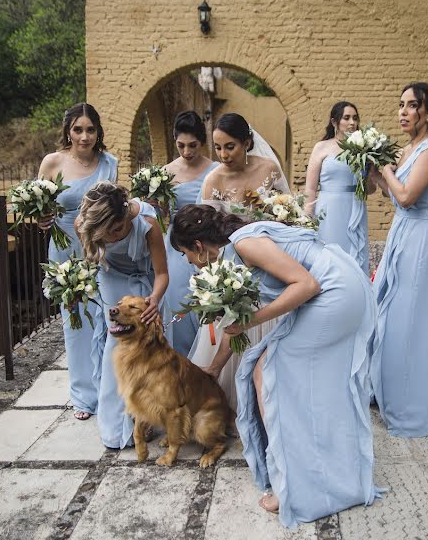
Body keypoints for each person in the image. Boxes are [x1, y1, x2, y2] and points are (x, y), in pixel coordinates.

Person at [170, 204, 380, 527]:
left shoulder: (243, 244)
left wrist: (252, 319)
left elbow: (306, 285)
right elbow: (234, 324)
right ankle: (321, 469)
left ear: (198, 247)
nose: (187, 262)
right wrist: (213, 369)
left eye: (185, 253)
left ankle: (291, 486)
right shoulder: (233, 255)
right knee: (278, 374)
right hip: (337, 287)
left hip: (335, 292)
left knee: (267, 373)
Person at [367, 82, 428, 437]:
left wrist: (381, 163)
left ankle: (410, 401)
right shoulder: (407, 151)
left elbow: (405, 197)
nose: (403, 112)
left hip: (424, 240)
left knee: (413, 315)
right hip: (403, 234)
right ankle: (386, 385)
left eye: (412, 105)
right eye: (400, 105)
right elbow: (395, 195)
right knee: (389, 310)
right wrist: (375, 172)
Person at [189, 113, 289, 409]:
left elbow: (290, 213)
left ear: (247, 142)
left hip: (270, 264)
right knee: (232, 333)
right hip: (234, 269)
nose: (223, 155)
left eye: (230, 146)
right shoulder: (214, 179)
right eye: (218, 148)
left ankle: (268, 406)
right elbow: (204, 230)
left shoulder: (269, 170)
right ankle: (232, 408)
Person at [37, 103, 118, 420]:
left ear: (98, 132)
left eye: (90, 130)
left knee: (105, 318)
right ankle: (83, 396)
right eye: (78, 130)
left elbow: (115, 208)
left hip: (99, 248)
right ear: (67, 131)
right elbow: (39, 210)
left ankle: (107, 387)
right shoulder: (53, 162)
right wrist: (41, 220)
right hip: (65, 252)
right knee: (76, 323)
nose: (84, 136)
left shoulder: (110, 163)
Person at [76, 182, 168, 449]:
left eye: (117, 229)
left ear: (127, 215)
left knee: (148, 348)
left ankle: (145, 415)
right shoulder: (85, 225)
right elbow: (89, 265)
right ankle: (117, 425)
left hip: (147, 279)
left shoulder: (148, 222)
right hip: (112, 277)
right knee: (117, 346)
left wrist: (155, 299)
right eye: (106, 233)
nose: (113, 237)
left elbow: (163, 273)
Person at [161, 111, 218, 355]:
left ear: (202, 143)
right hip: (177, 248)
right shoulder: (166, 172)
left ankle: (208, 358)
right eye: (180, 145)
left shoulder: (216, 170)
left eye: (192, 145)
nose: (186, 152)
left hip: (208, 243)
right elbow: (162, 214)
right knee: (179, 302)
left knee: (210, 298)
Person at [303, 101, 374, 273]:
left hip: (354, 207)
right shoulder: (322, 147)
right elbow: (311, 188)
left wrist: (371, 168)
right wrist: (307, 217)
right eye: (346, 118)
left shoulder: (363, 149)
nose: (352, 122)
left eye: (355, 118)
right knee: (328, 253)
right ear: (334, 122)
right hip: (329, 209)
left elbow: (371, 189)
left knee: (353, 256)